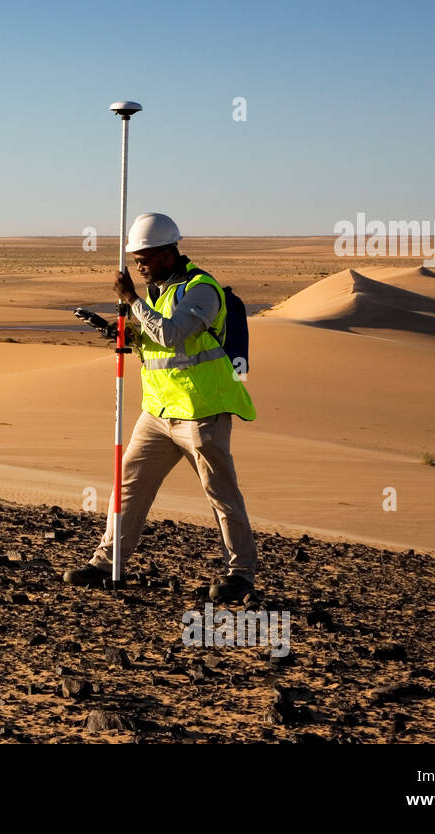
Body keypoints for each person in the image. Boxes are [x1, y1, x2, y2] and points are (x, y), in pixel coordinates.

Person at [63, 212, 259, 602]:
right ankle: (106, 563)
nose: (140, 265)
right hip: (156, 412)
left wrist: (131, 299)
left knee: (220, 493)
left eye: (146, 258)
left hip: (201, 411)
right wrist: (118, 331)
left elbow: (171, 335)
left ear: (170, 253)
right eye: (137, 259)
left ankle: (240, 575)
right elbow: (152, 344)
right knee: (128, 487)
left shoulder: (201, 290)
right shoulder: (157, 293)